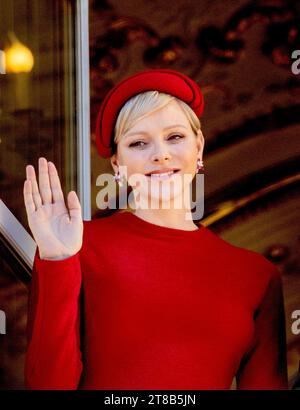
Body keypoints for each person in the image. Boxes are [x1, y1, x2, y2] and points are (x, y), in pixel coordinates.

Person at [23, 69, 288, 390]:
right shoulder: (78, 246)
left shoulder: (256, 275)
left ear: (199, 146)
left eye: (175, 137)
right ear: (117, 166)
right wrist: (57, 260)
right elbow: (47, 385)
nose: (160, 153)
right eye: (138, 143)